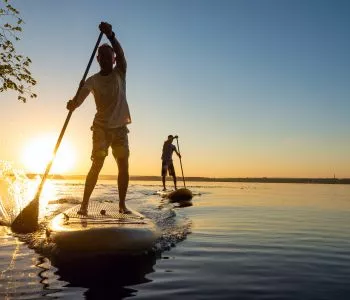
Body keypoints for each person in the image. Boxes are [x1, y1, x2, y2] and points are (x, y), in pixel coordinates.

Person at [67, 22, 131, 215]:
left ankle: (122, 205)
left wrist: (111, 35)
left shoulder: (120, 72)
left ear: (113, 59)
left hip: (120, 128)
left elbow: (120, 53)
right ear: (97, 59)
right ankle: (84, 205)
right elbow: (79, 100)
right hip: (101, 128)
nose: (105, 58)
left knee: (123, 164)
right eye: (101, 56)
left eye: (108, 56)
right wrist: (73, 104)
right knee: (98, 163)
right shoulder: (92, 80)